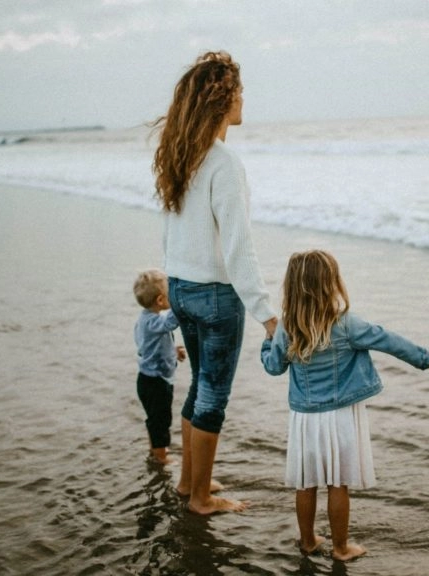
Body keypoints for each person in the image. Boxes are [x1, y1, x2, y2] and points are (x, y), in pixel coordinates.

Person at [260, 250, 429, 561]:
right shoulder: (346, 324)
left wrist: (268, 341)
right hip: (341, 416)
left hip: (305, 419)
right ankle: (340, 548)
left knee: (306, 483)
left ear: (292, 286)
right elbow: (387, 339)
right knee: (338, 484)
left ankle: (307, 541)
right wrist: (425, 358)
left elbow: (273, 367)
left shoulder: (287, 327)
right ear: (331, 283)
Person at [152, 51, 278, 514]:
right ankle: (201, 499)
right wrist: (267, 314)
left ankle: (189, 482)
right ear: (223, 100)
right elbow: (238, 248)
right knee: (212, 395)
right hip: (216, 296)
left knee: (198, 386)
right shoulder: (224, 163)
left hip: (182, 287)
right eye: (239, 92)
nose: (243, 99)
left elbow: (169, 232)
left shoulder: (182, 156)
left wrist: (174, 282)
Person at [132, 269, 186, 464]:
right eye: (171, 293)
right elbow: (171, 321)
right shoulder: (153, 322)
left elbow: (149, 346)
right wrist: (182, 302)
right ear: (161, 300)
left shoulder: (144, 320)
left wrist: (172, 350)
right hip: (156, 382)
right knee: (161, 420)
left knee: (154, 419)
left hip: (146, 379)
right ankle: (161, 457)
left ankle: (154, 450)